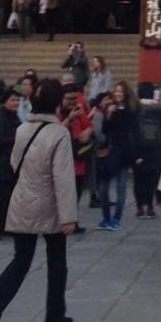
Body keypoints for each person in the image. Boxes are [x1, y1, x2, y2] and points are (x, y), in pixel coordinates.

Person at [0, 78, 77, 322]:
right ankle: (55, 314)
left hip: (22, 199)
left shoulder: (22, 130)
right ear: (56, 104)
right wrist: (68, 216)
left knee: (21, 259)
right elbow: (63, 178)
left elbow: (13, 163)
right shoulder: (60, 134)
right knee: (57, 260)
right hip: (50, 203)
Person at [93, 83, 138, 230]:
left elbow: (133, 131)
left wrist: (136, 154)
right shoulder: (110, 108)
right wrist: (109, 114)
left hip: (124, 152)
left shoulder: (131, 111)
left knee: (121, 187)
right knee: (104, 186)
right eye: (116, 91)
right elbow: (105, 130)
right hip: (110, 151)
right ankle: (106, 217)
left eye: (120, 91)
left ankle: (116, 218)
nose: (117, 93)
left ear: (126, 93)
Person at [0, 90, 24, 240]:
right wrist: (16, 138)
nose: (15, 103)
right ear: (5, 102)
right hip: (1, 163)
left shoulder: (14, 117)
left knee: (9, 197)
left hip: (12, 163)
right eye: (12, 100)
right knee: (0, 198)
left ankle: (4, 225)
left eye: (17, 100)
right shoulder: (0, 118)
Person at [58, 85, 93, 232]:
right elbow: (56, 131)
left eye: (74, 98)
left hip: (78, 161)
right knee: (63, 195)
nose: (72, 101)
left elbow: (89, 126)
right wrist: (69, 118)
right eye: (69, 98)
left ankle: (72, 222)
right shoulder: (57, 113)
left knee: (76, 194)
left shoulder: (79, 111)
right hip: (62, 162)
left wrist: (86, 132)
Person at [131, 82, 161, 219]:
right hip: (155, 147)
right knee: (152, 178)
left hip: (138, 146)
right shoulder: (159, 108)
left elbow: (132, 128)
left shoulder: (135, 107)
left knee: (138, 179)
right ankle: (150, 206)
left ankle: (140, 207)